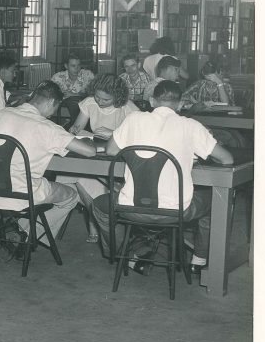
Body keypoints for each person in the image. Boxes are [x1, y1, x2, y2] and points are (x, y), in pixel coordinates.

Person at [91, 80, 234, 271]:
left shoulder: (134, 119)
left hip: (131, 209)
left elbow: (110, 150)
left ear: (151, 100)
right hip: (177, 212)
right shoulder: (191, 125)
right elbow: (227, 159)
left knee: (100, 205)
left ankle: (120, 256)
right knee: (217, 202)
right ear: (181, 103)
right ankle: (199, 259)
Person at [0, 80, 97, 244]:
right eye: (55, 108)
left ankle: (21, 229)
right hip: (23, 195)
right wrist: (89, 141)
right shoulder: (48, 127)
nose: (52, 114)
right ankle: (26, 233)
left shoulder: (2, 115)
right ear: (51, 102)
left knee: (45, 183)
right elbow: (90, 152)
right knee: (72, 195)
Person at [65, 74, 139, 243]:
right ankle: (94, 217)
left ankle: (94, 219)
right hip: (95, 149)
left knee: (77, 175)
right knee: (73, 173)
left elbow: (138, 135)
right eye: (97, 96)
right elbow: (78, 126)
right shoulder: (90, 102)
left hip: (119, 153)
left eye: (105, 99)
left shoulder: (128, 108)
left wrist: (113, 135)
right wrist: (74, 130)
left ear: (117, 97)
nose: (99, 101)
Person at [50, 53, 96, 127]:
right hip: (65, 103)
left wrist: (76, 95)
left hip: (86, 102)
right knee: (73, 101)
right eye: (73, 66)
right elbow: (51, 94)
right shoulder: (57, 77)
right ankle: (78, 127)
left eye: (79, 65)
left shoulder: (88, 75)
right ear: (66, 66)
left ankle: (75, 126)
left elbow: (95, 93)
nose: (77, 69)